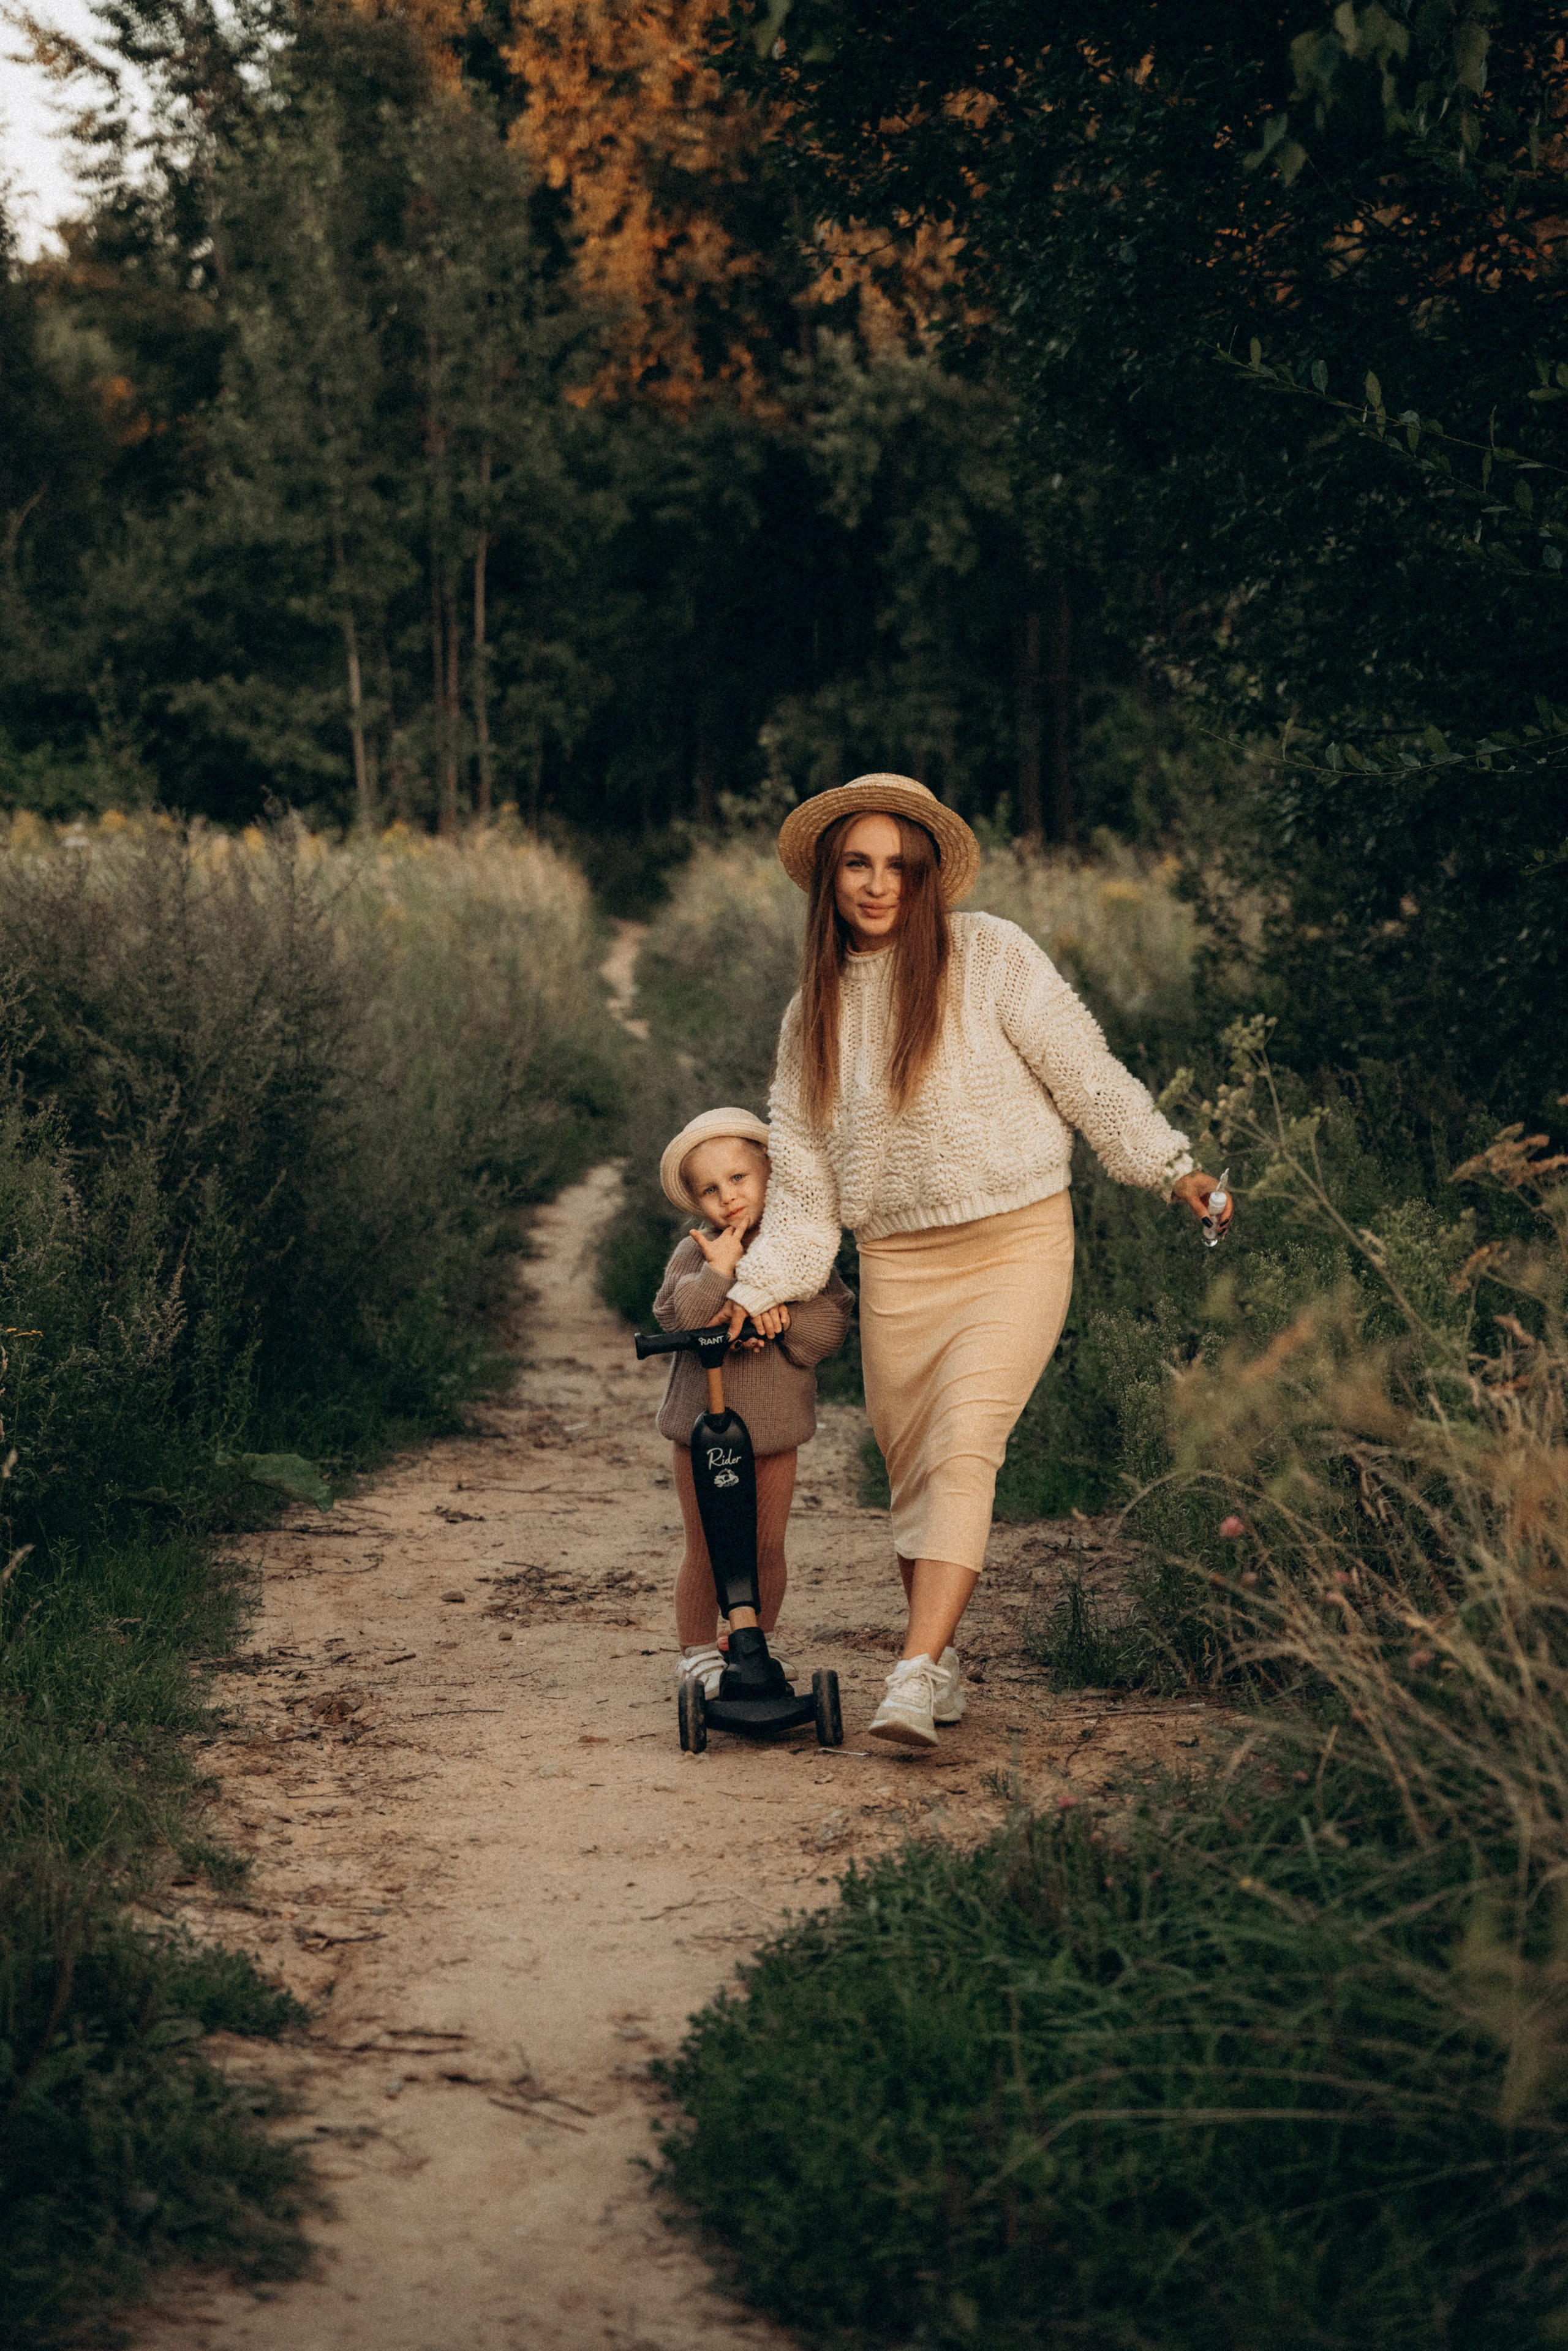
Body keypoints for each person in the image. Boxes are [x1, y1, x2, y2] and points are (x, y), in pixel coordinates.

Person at [722, 775, 1233, 1750]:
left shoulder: (990, 954)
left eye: (902, 867)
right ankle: (943, 1655)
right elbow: (805, 1187)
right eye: (861, 865)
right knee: (914, 1471)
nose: (880, 886)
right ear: (830, 879)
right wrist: (754, 1288)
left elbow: (1087, 1074)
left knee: (964, 1444)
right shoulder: (809, 1015)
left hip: (1015, 1241)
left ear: (929, 878)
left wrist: (1173, 1167)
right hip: (898, 1264)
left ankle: (911, 1675)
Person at [652, 1107, 854, 1699]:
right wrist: (720, 1275)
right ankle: (696, 1652)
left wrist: (784, 1314)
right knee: (708, 1542)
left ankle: (754, 1640)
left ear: (769, 1171)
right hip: (703, 1429)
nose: (728, 1198)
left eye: (739, 1179)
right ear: (696, 1202)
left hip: (773, 1430)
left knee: (766, 1543)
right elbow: (678, 1315)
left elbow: (827, 1333)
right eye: (711, 1190)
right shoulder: (698, 1251)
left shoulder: (803, 1251)